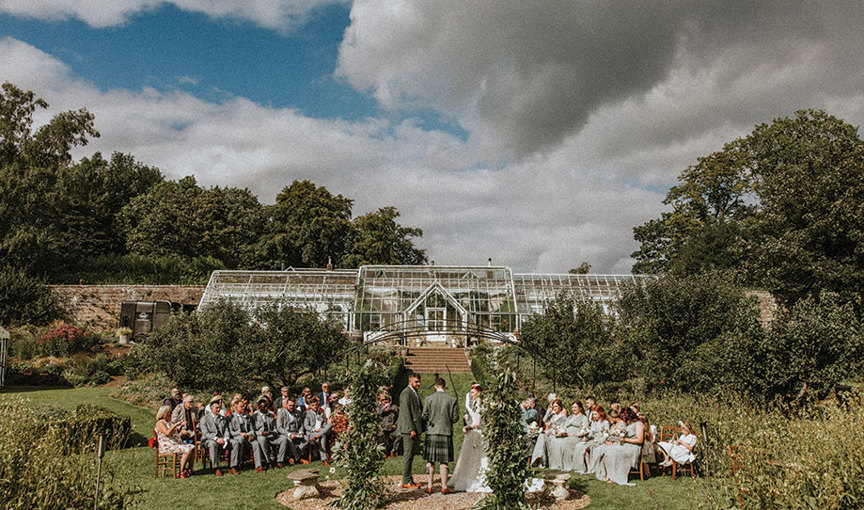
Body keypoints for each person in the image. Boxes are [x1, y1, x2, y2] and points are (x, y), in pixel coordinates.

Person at [449, 384, 490, 492]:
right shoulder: (475, 403)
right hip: (473, 434)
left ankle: (478, 479)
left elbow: (479, 423)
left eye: (473, 392)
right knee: (468, 457)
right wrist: (467, 418)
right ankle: (468, 477)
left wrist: (468, 426)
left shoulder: (480, 403)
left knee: (478, 457)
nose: (471, 394)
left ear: (478, 392)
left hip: (478, 433)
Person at [422, 378, 459, 495]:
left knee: (430, 461)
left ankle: (429, 486)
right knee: (444, 462)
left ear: (435, 386)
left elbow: (424, 415)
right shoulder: (452, 399)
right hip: (445, 432)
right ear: (445, 386)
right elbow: (455, 418)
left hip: (432, 432)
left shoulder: (428, 399)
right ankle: (444, 487)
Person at [593, 408, 645, 485]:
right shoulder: (628, 424)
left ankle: (612, 475)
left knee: (612, 452)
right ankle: (608, 474)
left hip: (633, 448)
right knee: (606, 450)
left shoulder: (639, 424)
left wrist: (625, 439)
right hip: (625, 445)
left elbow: (640, 440)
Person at [396, 372, 424, 489]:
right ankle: (406, 480)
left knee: (411, 454)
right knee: (408, 454)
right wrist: (412, 428)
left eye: (419, 381)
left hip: (413, 428)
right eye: (416, 381)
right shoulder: (406, 393)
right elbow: (406, 413)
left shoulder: (413, 392)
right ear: (410, 381)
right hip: (408, 429)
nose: (418, 384)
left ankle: (409, 479)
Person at [155, 405, 195, 478]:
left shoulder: (169, 422)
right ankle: (181, 471)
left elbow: (174, 430)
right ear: (165, 414)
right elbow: (167, 432)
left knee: (192, 447)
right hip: (167, 446)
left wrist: (180, 426)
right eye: (170, 412)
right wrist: (176, 424)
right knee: (188, 450)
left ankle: (189, 469)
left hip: (175, 443)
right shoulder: (160, 423)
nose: (172, 413)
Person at [552, 401, 590, 471]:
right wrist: (561, 432)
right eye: (572, 407)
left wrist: (572, 434)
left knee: (566, 442)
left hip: (576, 437)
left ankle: (568, 465)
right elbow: (564, 427)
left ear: (580, 408)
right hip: (566, 435)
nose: (573, 409)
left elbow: (584, 431)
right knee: (555, 441)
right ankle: (558, 464)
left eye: (575, 407)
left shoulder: (584, 418)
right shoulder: (570, 417)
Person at [198, 396, 231, 476]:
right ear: (211, 408)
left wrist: (226, 438)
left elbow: (226, 430)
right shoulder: (204, 419)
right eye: (216, 408)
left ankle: (233, 466)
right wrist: (216, 439)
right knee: (213, 444)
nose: (218, 410)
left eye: (219, 408)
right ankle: (216, 467)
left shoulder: (222, 418)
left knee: (234, 442)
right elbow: (205, 433)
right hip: (207, 440)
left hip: (221, 439)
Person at [531, 398, 567, 467]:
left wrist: (550, 430)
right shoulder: (552, 416)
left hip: (557, 436)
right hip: (550, 435)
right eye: (554, 406)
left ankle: (544, 460)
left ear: (560, 407)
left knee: (552, 441)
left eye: (556, 406)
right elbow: (544, 420)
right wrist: (548, 411)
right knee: (541, 436)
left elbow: (562, 429)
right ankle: (539, 457)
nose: (555, 408)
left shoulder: (563, 417)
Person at [574, 405, 609, 474]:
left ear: (600, 413)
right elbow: (591, 433)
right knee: (580, 446)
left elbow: (605, 435)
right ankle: (588, 467)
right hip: (593, 440)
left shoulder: (605, 423)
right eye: (593, 414)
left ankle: (591, 468)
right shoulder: (594, 422)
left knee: (586, 448)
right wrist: (586, 436)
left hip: (600, 442)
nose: (594, 416)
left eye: (595, 414)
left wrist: (597, 441)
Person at [228, 397, 259, 473]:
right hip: (236, 437)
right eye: (241, 406)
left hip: (246, 437)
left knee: (255, 443)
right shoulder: (230, 418)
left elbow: (252, 429)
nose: (243, 407)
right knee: (240, 439)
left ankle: (258, 466)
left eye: (244, 406)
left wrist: (249, 435)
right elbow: (231, 432)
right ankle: (238, 464)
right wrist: (239, 434)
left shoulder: (247, 417)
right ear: (236, 407)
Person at [253, 397, 281, 471]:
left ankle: (280, 461)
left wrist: (274, 432)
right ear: (259, 407)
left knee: (283, 439)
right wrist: (261, 433)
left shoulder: (271, 414)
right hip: (260, 435)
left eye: (266, 407)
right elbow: (253, 430)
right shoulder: (255, 416)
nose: (266, 408)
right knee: (262, 440)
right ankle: (268, 461)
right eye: (263, 407)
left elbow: (274, 427)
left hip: (271, 434)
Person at [276, 398, 306, 465]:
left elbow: (301, 424)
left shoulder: (297, 412)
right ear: (286, 405)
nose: (291, 407)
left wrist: (301, 432)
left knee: (307, 439)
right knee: (289, 440)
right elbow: (279, 428)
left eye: (293, 405)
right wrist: (289, 434)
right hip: (285, 433)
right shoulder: (281, 412)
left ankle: (295, 454)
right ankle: (298, 458)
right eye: (290, 405)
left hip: (296, 432)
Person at [304, 397, 332, 465]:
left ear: (318, 405)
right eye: (313, 405)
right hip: (312, 433)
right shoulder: (307, 413)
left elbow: (325, 424)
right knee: (323, 436)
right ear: (310, 406)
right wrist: (314, 430)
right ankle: (324, 460)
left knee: (329, 425)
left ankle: (318, 435)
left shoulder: (322, 413)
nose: (315, 407)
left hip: (320, 431)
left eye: (316, 405)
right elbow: (306, 426)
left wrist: (321, 429)